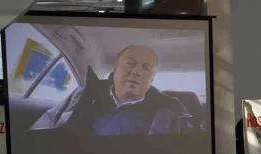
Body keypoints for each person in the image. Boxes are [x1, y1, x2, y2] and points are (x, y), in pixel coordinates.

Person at [30, 45, 194, 135]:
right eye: (130, 63)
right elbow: (42, 130)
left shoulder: (169, 110)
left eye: (146, 68)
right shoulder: (84, 94)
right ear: (115, 69)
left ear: (151, 80)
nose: (136, 71)